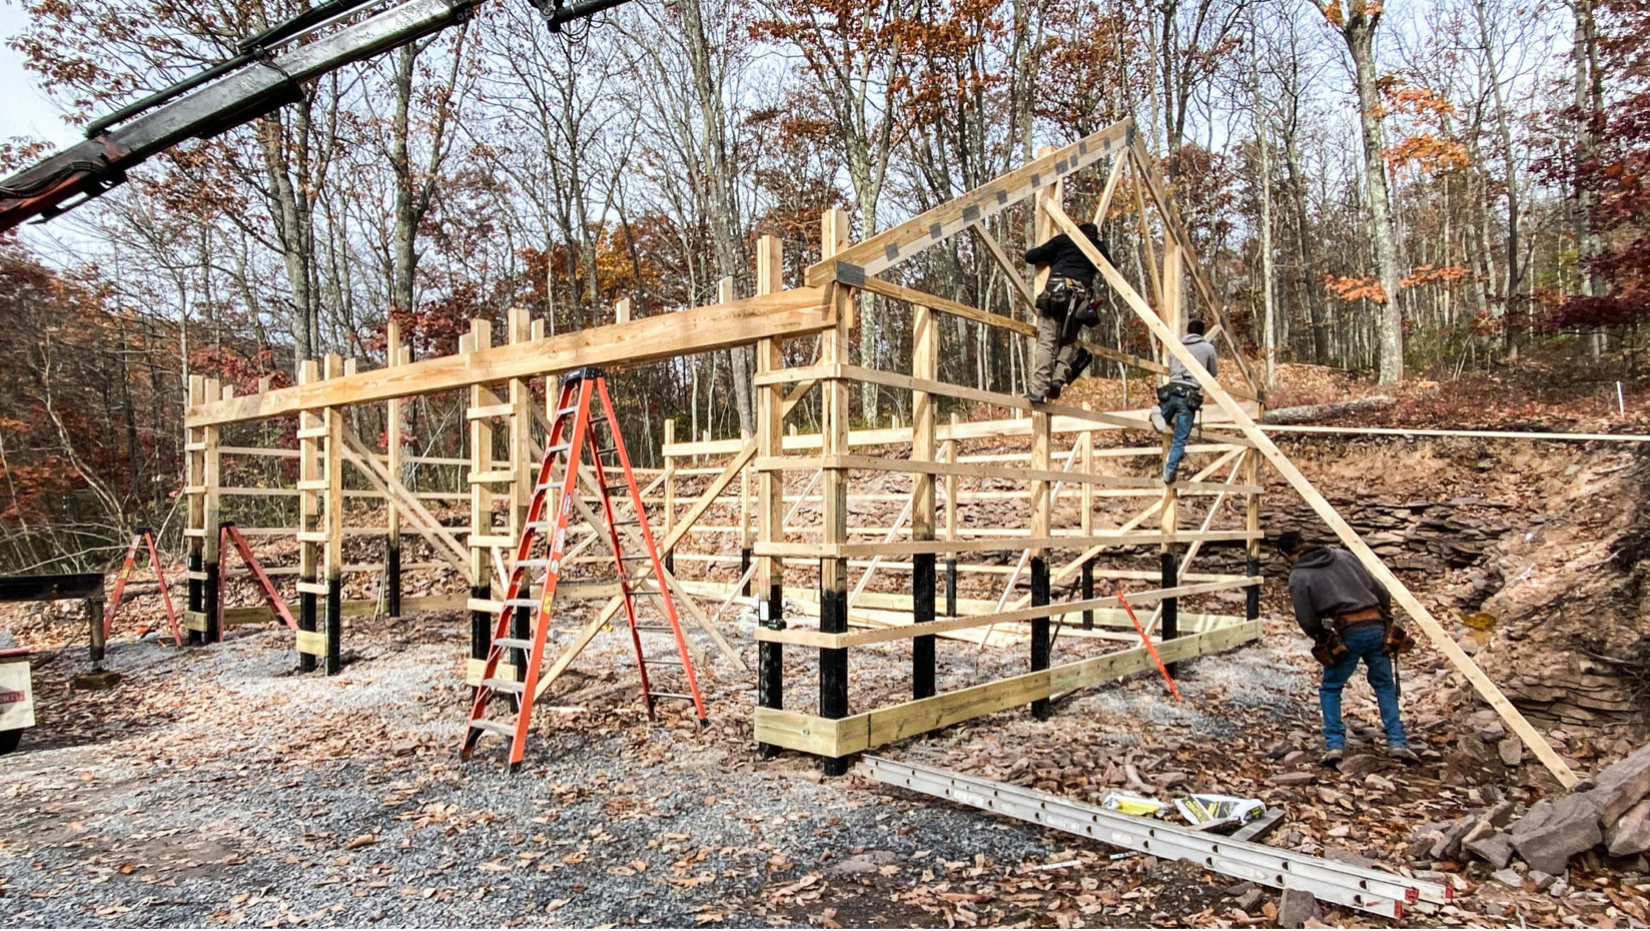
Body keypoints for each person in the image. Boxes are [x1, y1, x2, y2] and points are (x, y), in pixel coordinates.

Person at [1276, 530, 1419, 766]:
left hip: (1346, 632)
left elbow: (1306, 619)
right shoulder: (1343, 555)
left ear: (1284, 554)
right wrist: (1383, 618)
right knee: (1384, 684)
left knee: (1331, 688)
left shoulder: (1299, 575)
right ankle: (1397, 742)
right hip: (1376, 625)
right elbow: (1380, 590)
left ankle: (1334, 746)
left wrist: (1322, 637)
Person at [1023, 223, 1109, 403]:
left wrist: (1053, 255)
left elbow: (1031, 257)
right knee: (1070, 342)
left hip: (1056, 292)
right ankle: (1058, 378)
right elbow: (1110, 268)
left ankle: (1038, 391)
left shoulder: (1064, 240)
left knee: (1046, 341)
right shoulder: (1098, 248)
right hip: (1080, 300)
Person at [1151, 319, 1217, 484]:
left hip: (1171, 391)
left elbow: (1172, 367)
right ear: (1202, 332)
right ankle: (1169, 471)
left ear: (1187, 331)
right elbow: (1213, 372)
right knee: (1179, 439)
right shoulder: (1208, 349)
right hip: (1189, 396)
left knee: (1163, 417)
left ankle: (1159, 413)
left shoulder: (1175, 347)